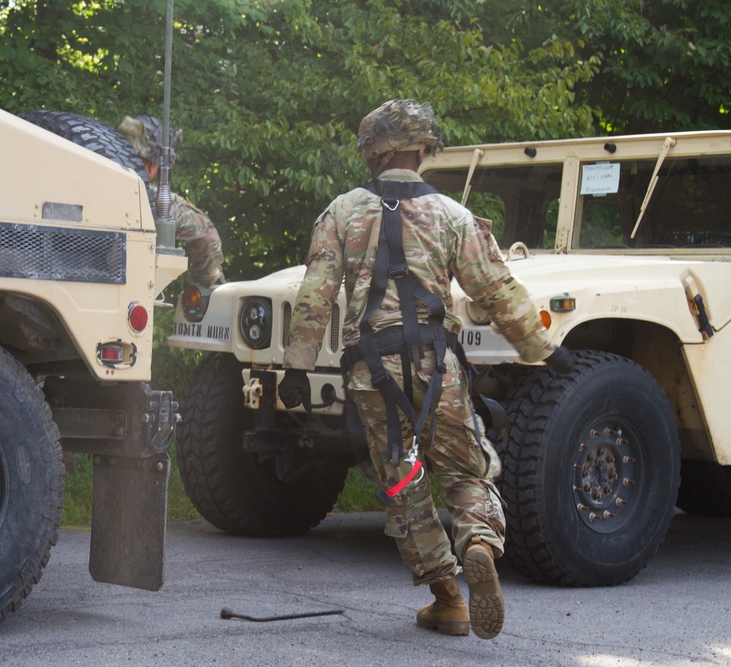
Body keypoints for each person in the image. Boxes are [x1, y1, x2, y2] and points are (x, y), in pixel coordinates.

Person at [278, 99, 574, 640]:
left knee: (403, 481)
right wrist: (542, 349)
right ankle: (478, 542)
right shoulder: (452, 215)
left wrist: (297, 366)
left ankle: (449, 599)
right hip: (440, 367)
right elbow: (495, 289)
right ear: (423, 150)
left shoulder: (342, 212)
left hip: (372, 370)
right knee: (467, 470)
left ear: (373, 150)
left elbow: (316, 293)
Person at [118, 115, 225, 288]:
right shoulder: (153, 199)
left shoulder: (82, 175)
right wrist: (205, 285)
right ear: (153, 166)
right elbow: (206, 237)